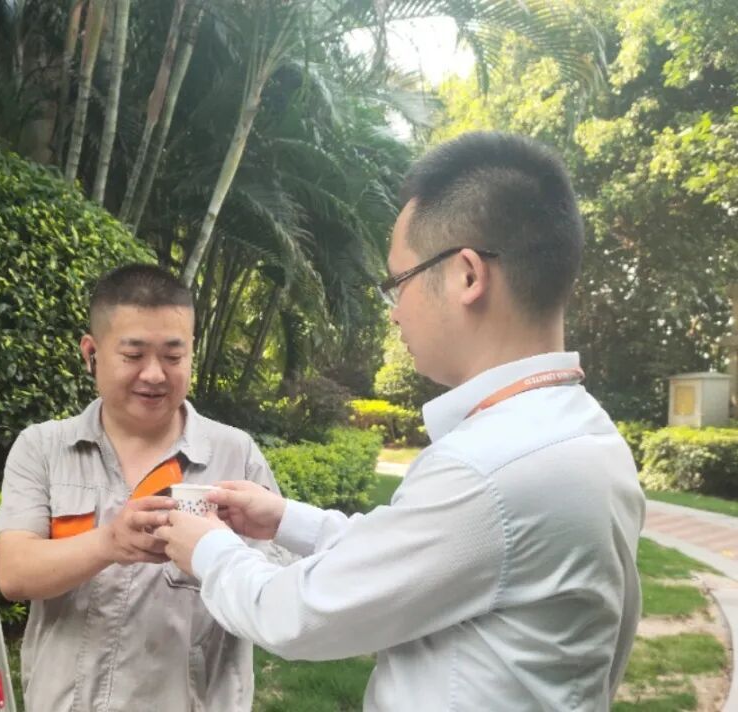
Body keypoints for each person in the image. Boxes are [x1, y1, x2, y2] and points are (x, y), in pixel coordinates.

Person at [155, 132, 646, 710]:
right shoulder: (585, 435)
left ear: (467, 275)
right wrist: (285, 519)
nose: (394, 313)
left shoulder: (487, 469)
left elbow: (298, 615)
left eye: (398, 283)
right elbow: (421, 552)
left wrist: (208, 548)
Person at [0, 263, 281, 711]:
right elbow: (14, 574)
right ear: (91, 352)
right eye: (133, 355)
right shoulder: (43, 448)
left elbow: (274, 594)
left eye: (173, 357)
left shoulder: (234, 455)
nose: (155, 374)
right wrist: (109, 543)